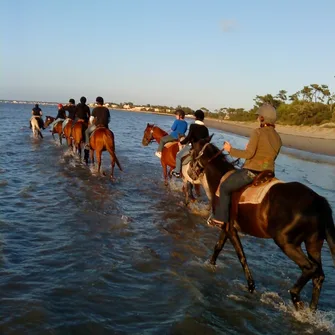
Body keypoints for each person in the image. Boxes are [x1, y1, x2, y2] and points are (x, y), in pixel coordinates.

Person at [208, 104, 282, 226]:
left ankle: (221, 218)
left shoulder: (258, 132)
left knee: (225, 186)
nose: (258, 118)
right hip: (269, 172)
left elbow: (248, 154)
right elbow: (271, 155)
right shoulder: (277, 137)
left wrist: (230, 149)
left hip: (253, 172)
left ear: (263, 118)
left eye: (259, 116)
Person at [172, 109, 209, 178]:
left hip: (193, 147)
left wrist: (181, 142)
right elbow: (207, 141)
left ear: (196, 117)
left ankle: (177, 172)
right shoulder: (205, 129)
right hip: (202, 150)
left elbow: (189, 137)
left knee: (178, 155)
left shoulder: (193, 126)